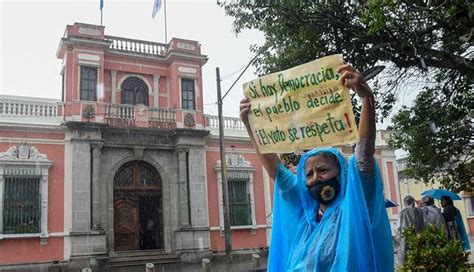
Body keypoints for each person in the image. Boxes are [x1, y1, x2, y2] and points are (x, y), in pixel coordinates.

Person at [240, 65, 393, 271]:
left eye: (323, 170)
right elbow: (276, 170)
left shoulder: (354, 207)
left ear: (342, 174)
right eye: (309, 174)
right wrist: (251, 125)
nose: (315, 179)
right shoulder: (307, 218)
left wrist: (366, 99)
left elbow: (364, 154)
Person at [397, 195, 425, 265]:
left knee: (406, 255)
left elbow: (399, 226)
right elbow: (424, 223)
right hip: (418, 234)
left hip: (406, 236)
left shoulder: (403, 212)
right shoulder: (420, 211)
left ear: (405, 203)